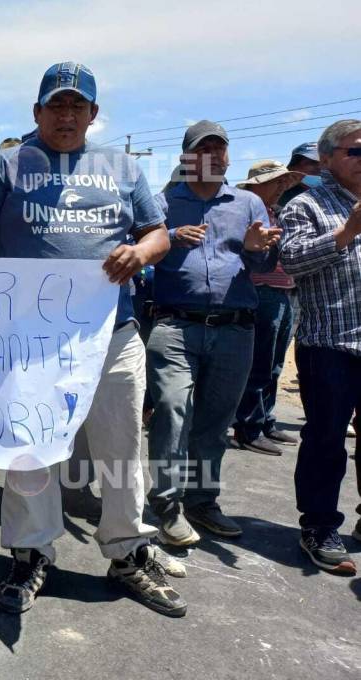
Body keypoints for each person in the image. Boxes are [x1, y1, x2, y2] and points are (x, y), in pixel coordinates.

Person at [0, 61, 184, 617]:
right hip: (31, 338)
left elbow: (158, 233)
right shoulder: (6, 166)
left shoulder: (123, 167)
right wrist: (5, 290)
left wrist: (142, 252)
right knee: (32, 445)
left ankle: (126, 552)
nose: (66, 114)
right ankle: (31, 555)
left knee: (121, 446)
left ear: (94, 115)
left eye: (77, 106)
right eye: (56, 105)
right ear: (36, 112)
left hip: (113, 332)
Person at [147, 121, 282, 546]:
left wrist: (261, 249)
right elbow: (139, 249)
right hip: (174, 324)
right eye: (204, 149)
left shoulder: (247, 205)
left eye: (220, 150)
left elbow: (263, 269)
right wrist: (168, 237)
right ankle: (167, 504)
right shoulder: (161, 203)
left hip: (235, 330)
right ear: (186, 158)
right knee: (171, 410)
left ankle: (202, 501)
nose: (215, 157)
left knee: (214, 423)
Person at [279, 119, 361, 575]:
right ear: (327, 158)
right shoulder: (306, 205)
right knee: (326, 440)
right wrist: (346, 232)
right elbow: (290, 260)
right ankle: (318, 526)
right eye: (356, 152)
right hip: (330, 343)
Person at [231, 160, 304, 455]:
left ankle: (265, 421)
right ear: (255, 186)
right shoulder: (246, 213)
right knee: (259, 365)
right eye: (275, 182)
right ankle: (248, 427)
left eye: (283, 183)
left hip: (283, 293)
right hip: (261, 292)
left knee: (274, 365)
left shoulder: (273, 213)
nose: (281, 188)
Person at [279, 142, 322, 208]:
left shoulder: (333, 191)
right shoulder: (277, 194)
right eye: (313, 162)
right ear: (293, 168)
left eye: (324, 162)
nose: (320, 167)